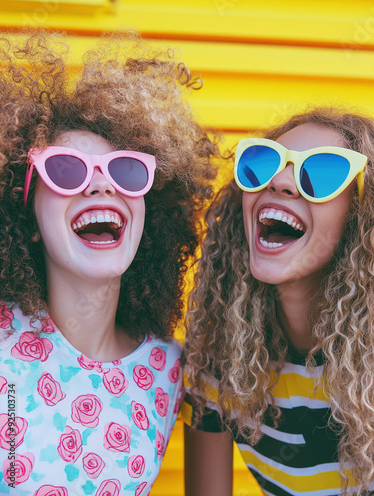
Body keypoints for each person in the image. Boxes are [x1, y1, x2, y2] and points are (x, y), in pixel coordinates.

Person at [0, 32, 217, 494]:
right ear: (30, 218)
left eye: (125, 170)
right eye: (65, 168)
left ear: (148, 214)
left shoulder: (170, 369)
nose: (101, 187)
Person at [183, 107, 374, 496]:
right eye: (264, 163)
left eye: (322, 173)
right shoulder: (221, 360)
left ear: (361, 216)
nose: (282, 182)